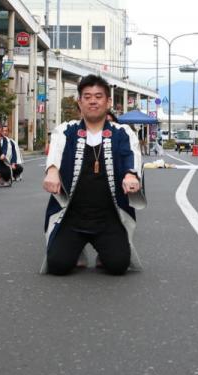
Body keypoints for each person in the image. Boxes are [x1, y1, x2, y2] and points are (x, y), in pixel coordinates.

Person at [42, 74, 144, 276]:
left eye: (98, 96)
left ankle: (104, 252)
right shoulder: (66, 130)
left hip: (108, 216)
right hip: (72, 215)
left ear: (108, 102)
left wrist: (131, 175)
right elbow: (55, 152)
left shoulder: (122, 132)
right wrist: (52, 171)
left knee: (118, 265)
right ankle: (76, 250)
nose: (93, 101)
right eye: (87, 96)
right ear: (80, 102)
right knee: (58, 266)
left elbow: (131, 155)